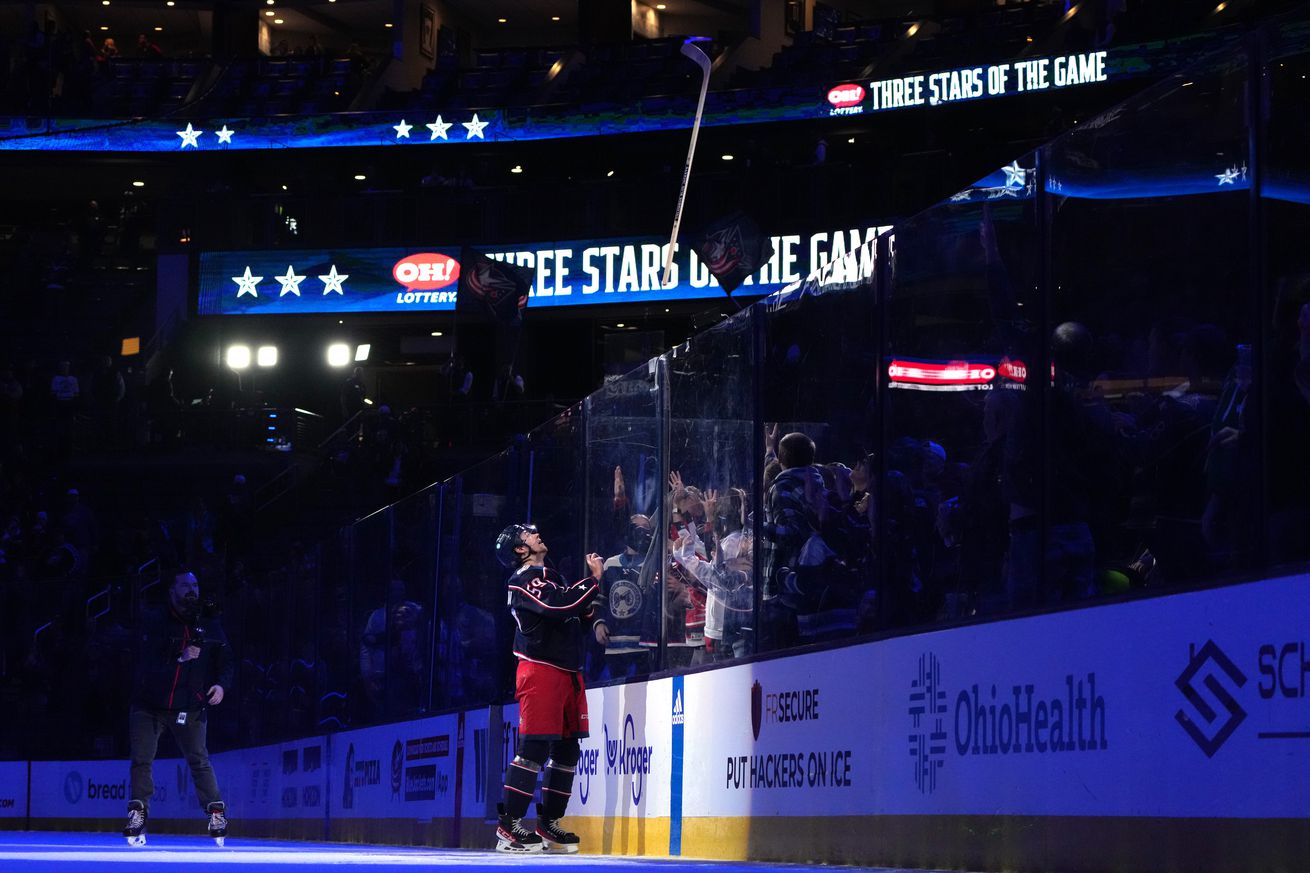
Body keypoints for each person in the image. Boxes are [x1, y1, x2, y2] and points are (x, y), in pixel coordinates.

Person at [492, 523, 604, 854]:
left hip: (568, 671)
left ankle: (549, 824)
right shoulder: (522, 580)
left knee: (568, 751)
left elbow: (574, 614)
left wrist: (586, 608)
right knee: (534, 749)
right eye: (527, 533)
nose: (536, 533)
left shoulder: (551, 575)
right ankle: (509, 826)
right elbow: (557, 606)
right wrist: (593, 581)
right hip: (540, 671)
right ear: (519, 550)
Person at [123, 568, 233, 846]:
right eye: (185, 586)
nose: (191, 590)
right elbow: (145, 665)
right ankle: (138, 813)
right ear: (172, 592)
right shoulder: (155, 620)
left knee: (199, 760)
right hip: (149, 704)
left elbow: (226, 659)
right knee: (142, 759)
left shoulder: (210, 622)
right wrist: (179, 658)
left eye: (194, 585)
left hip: (190, 704)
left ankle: (216, 813)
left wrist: (221, 684)